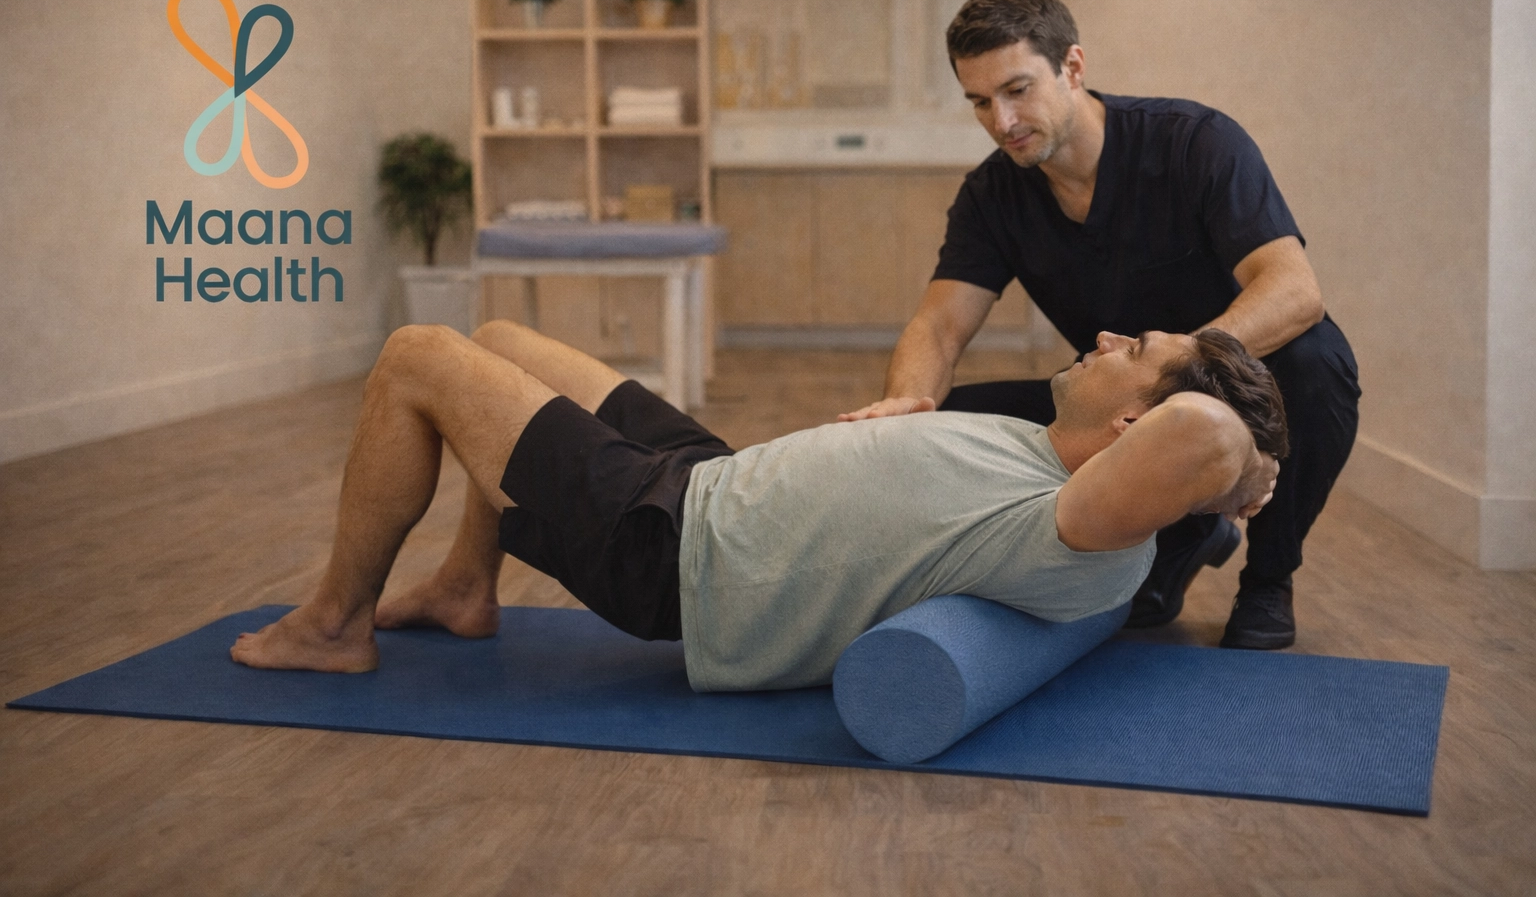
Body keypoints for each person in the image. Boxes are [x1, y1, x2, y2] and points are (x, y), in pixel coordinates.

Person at [231, 319, 1285, 690]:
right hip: (712, 481)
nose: (1107, 337)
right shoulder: (1052, 460)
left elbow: (1207, 433)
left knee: (418, 355)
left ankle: (331, 625)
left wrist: (1242, 477)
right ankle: (466, 587)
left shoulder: (1083, 535)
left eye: (1135, 351)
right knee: (500, 342)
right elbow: (1187, 429)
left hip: (680, 549)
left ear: (1139, 428)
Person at [840, 0, 1360, 650]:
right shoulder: (992, 193)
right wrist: (904, 413)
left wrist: (1176, 377)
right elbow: (940, 326)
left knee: (1317, 361)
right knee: (948, 424)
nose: (1002, 121)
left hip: (1219, 379)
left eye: (1018, 89)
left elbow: (1293, 289)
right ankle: (1179, 539)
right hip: (1116, 402)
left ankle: (1267, 578)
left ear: (1073, 66)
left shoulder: (1194, 142)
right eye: (980, 102)